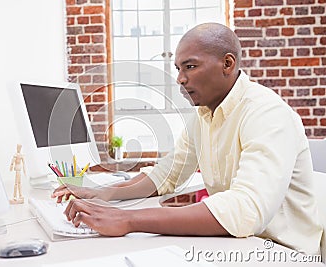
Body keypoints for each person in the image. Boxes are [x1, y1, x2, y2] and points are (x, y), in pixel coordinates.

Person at [52, 23, 323, 255]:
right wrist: (105, 194)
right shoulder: (204, 116)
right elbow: (167, 175)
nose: (180, 79)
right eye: (178, 68)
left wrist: (128, 219)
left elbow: (244, 212)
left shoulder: (267, 113)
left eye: (190, 66)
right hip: (241, 245)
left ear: (227, 64)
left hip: (281, 252)